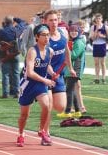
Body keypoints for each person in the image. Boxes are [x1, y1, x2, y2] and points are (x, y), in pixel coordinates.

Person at [17, 24, 56, 147]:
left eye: (48, 35)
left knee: (46, 105)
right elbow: (30, 72)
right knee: (24, 115)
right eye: (43, 35)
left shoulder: (50, 51)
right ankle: (21, 134)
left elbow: (47, 65)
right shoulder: (32, 51)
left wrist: (52, 73)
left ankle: (42, 131)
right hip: (28, 84)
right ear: (37, 37)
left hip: (39, 84)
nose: (47, 37)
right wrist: (46, 80)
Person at [44, 9, 76, 139]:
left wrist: (71, 68)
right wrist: (51, 72)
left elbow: (67, 51)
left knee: (61, 106)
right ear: (45, 22)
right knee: (48, 105)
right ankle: (45, 132)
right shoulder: (43, 37)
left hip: (59, 76)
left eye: (55, 20)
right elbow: (44, 60)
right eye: (50, 20)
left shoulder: (63, 33)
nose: (54, 22)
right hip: (45, 76)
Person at [57, 24, 86, 118]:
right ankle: (77, 111)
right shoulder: (74, 41)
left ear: (79, 32)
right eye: (71, 31)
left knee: (68, 90)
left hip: (74, 70)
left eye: (75, 31)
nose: (73, 33)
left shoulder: (79, 42)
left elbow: (73, 55)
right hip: (71, 70)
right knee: (72, 90)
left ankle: (67, 111)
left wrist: (66, 49)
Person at [0, 15, 20, 98]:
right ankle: (17, 92)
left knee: (5, 74)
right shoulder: (16, 30)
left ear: (5, 22)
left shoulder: (2, 31)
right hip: (15, 54)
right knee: (16, 74)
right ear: (12, 22)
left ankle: (5, 93)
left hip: (6, 55)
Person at [89, 13, 108, 84]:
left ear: (101, 19)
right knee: (96, 63)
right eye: (97, 19)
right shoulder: (93, 27)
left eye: (99, 18)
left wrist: (102, 36)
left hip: (102, 45)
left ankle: (103, 78)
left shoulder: (105, 27)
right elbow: (91, 38)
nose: (98, 20)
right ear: (95, 19)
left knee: (102, 63)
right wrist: (96, 31)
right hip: (95, 45)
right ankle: (97, 78)